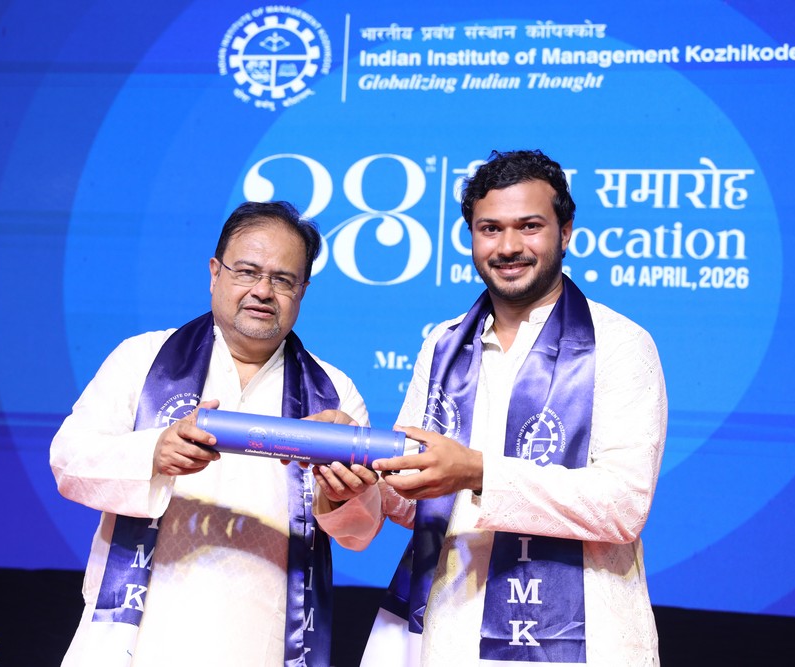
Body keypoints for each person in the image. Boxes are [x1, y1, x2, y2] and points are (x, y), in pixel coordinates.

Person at [361, 150, 668, 665]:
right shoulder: (443, 345)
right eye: (490, 229)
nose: (508, 247)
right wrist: (355, 473)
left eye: (529, 226)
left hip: (587, 643)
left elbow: (624, 506)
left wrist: (478, 472)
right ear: (471, 237)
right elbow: (417, 498)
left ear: (565, 233)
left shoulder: (620, 344)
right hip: (452, 634)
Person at [51, 201, 381, 666]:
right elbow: (68, 462)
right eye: (247, 272)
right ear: (214, 273)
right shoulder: (143, 358)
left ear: (303, 291)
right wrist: (154, 451)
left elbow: (360, 533)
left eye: (283, 280)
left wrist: (341, 495)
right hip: (139, 634)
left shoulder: (334, 393)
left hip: (262, 637)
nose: (262, 291)